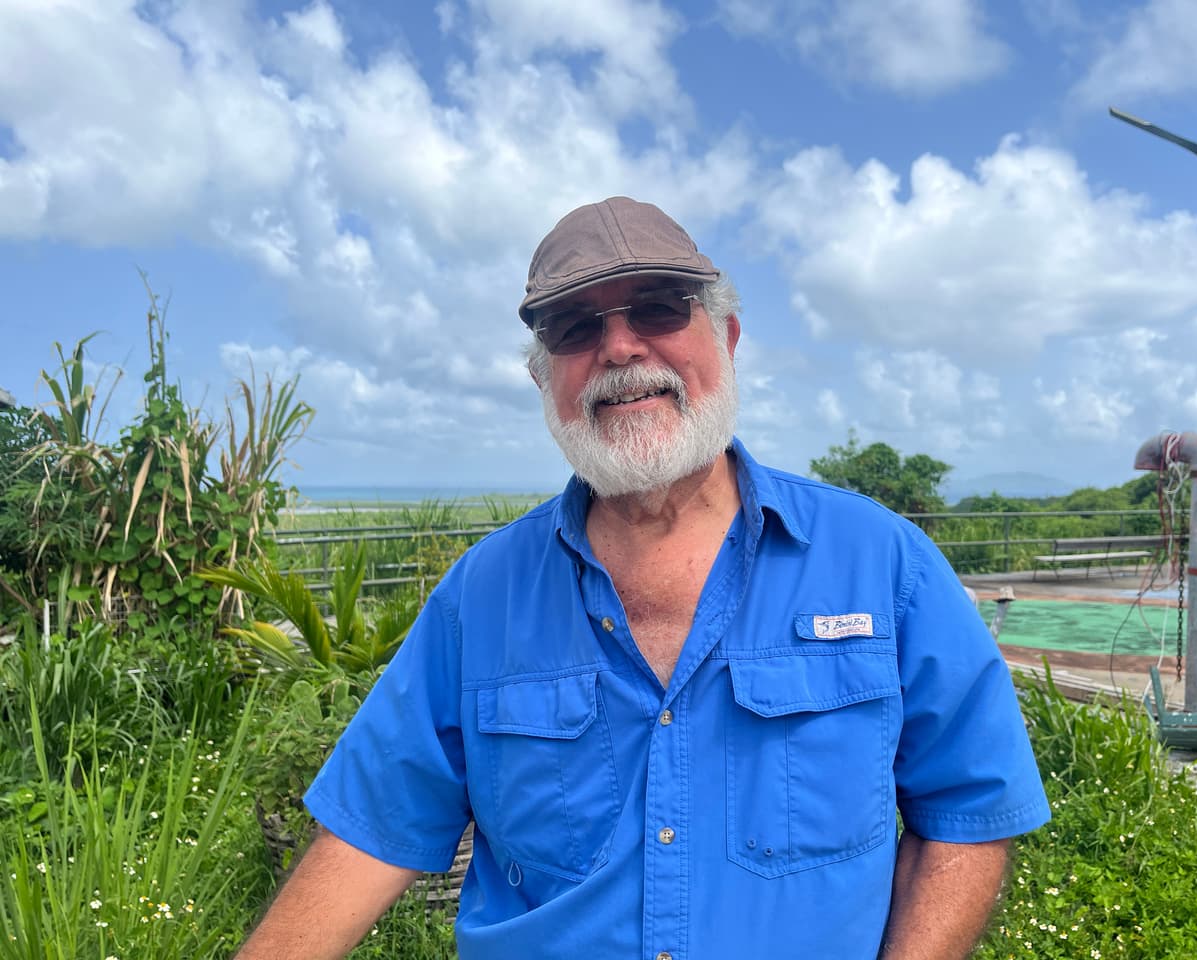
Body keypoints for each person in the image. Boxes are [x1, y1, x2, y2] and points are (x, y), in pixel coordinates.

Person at [235, 197, 1050, 960]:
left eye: (659, 307)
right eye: (574, 327)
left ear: (725, 337)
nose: (620, 348)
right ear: (542, 377)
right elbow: (371, 827)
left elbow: (966, 812)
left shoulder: (882, 562)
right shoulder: (479, 598)